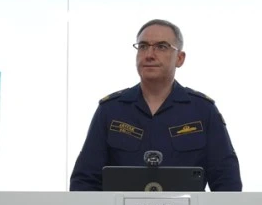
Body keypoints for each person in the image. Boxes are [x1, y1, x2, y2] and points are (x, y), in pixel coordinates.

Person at [69, 19, 242, 191]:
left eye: (161, 47)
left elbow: (227, 183)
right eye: (143, 46)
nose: (149, 54)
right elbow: (84, 181)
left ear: (180, 58)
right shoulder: (111, 110)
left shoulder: (203, 111)